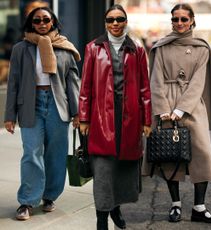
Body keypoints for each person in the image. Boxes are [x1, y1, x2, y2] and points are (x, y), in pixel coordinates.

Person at [142, 3, 211, 224]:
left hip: (192, 107)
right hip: (165, 107)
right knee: (169, 156)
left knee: (203, 155)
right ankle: (175, 205)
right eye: (175, 19)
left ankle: (199, 207)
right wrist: (164, 110)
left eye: (183, 19)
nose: (179, 23)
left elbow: (198, 82)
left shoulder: (202, 48)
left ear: (192, 20)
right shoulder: (160, 47)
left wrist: (180, 109)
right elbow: (156, 80)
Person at [79, 4, 152, 230]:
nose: (115, 24)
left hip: (129, 118)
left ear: (125, 21)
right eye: (111, 20)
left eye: (120, 19)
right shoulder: (93, 48)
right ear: (105, 22)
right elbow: (86, 87)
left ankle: (116, 209)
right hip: (100, 117)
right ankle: (102, 218)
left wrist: (146, 119)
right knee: (102, 170)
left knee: (122, 169)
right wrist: (84, 117)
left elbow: (144, 88)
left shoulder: (137, 48)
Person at [4, 7, 81, 220]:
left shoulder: (65, 48)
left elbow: (72, 83)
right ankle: (27, 201)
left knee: (56, 154)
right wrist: (9, 115)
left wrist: (77, 113)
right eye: (36, 20)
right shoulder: (21, 48)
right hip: (31, 105)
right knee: (31, 153)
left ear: (53, 22)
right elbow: (13, 83)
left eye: (46, 19)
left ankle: (49, 196)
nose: (41, 23)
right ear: (31, 23)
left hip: (58, 105)